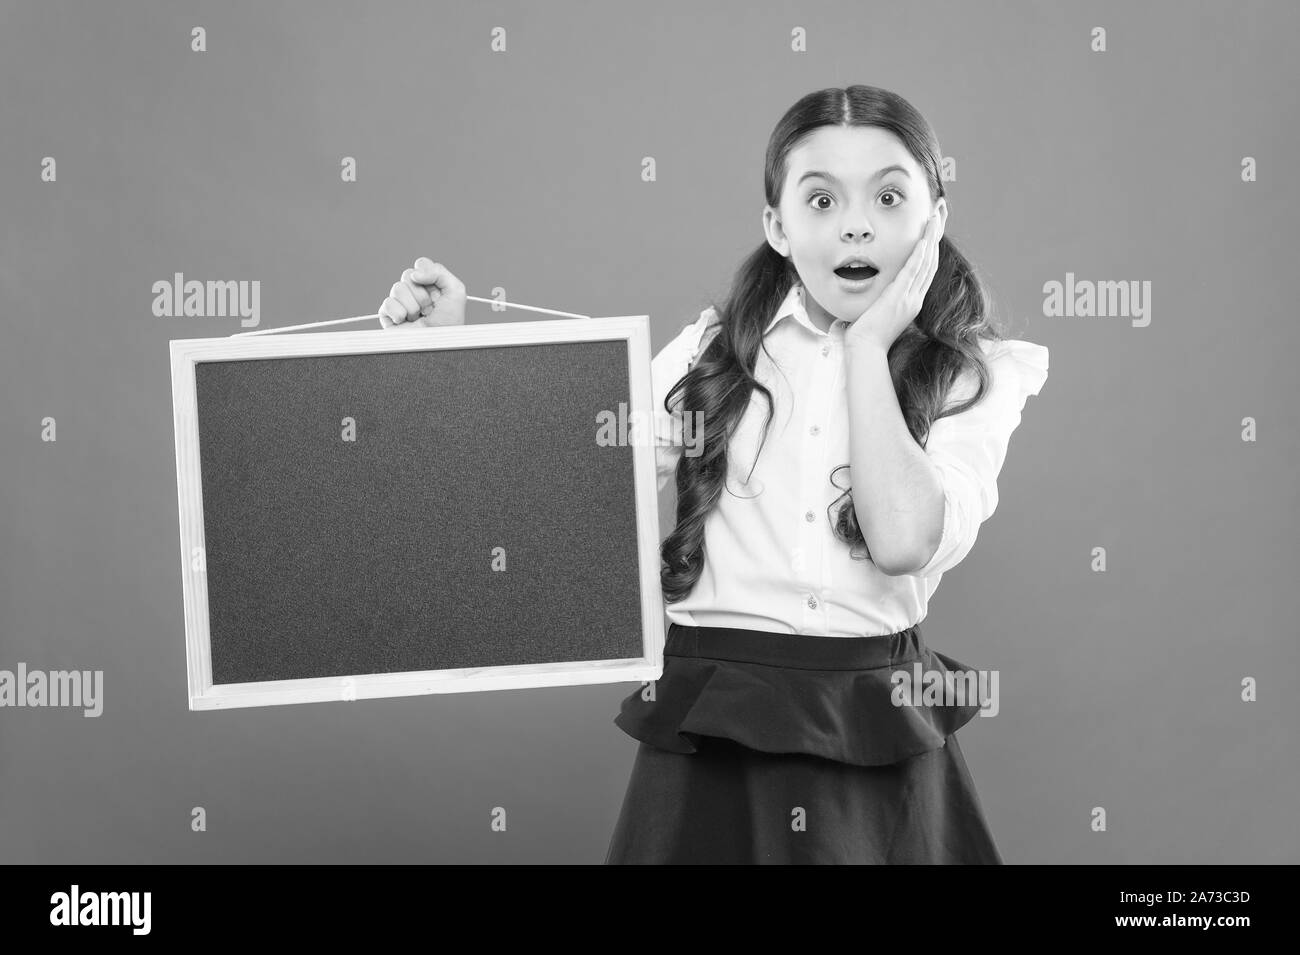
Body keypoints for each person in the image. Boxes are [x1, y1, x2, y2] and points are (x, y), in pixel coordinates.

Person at [376, 84, 1048, 864]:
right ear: (778, 228)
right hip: (711, 731)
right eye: (821, 199)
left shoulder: (978, 374)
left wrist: (868, 349)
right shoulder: (712, 355)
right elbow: (559, 485)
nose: (857, 222)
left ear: (934, 219)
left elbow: (902, 538)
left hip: (872, 733)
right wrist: (449, 354)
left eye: (890, 196)